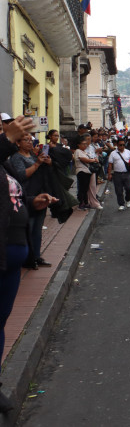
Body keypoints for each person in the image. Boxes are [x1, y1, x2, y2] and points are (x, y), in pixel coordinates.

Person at [0, 114, 54, 413]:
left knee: (1, 321)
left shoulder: (5, 162)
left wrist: (32, 201)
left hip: (13, 251)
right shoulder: (7, 152)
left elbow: (12, 190)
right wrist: (8, 140)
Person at [7, 134, 53, 269]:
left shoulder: (32, 156)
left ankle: (36, 256)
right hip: (28, 196)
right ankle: (28, 258)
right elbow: (22, 175)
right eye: (26, 140)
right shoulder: (16, 158)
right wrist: (38, 164)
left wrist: (47, 163)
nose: (29, 142)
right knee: (30, 227)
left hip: (39, 194)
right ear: (18, 143)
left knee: (37, 229)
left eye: (31, 140)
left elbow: (43, 171)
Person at [107, 138, 130, 211]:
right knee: (119, 190)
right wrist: (109, 174)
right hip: (117, 174)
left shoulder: (128, 152)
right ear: (117, 145)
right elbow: (110, 165)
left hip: (127, 174)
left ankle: (128, 199)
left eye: (123, 145)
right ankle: (121, 204)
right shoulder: (113, 153)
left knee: (129, 188)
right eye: (120, 145)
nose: (122, 146)